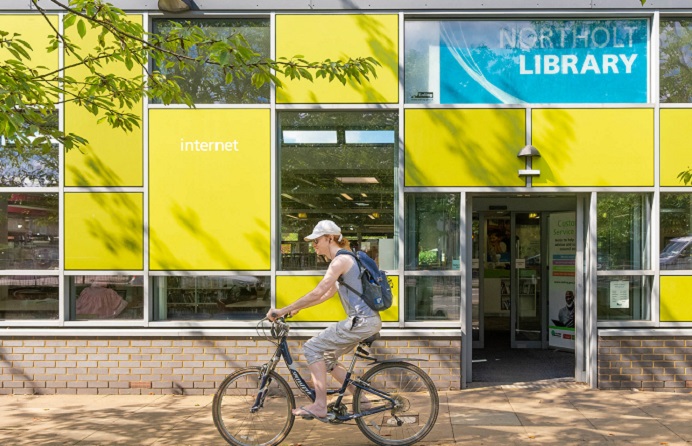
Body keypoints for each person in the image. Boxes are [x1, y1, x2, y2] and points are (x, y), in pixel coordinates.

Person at [266, 220, 382, 421]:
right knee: (326, 359)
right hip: (365, 321)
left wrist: (282, 310)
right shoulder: (344, 260)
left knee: (312, 348)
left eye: (316, 240)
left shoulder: (340, 261)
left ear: (330, 238)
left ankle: (320, 405)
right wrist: (298, 308)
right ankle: (361, 399)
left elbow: (318, 290)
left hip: (361, 321)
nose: (314, 245)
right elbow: (326, 294)